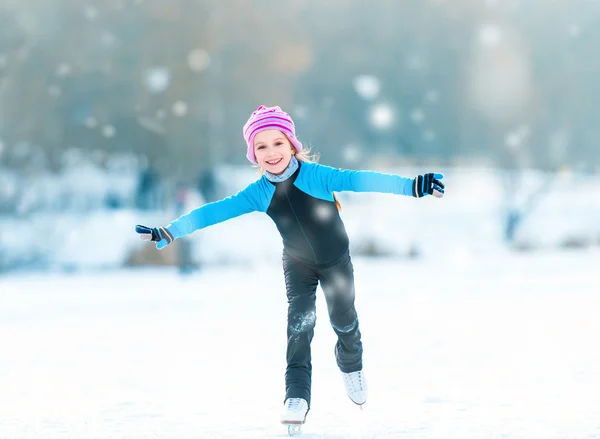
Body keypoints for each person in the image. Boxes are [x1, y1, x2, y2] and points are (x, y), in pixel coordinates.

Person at [135, 105, 445, 428]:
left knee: (344, 318)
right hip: (298, 266)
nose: (271, 153)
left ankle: (351, 363)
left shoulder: (317, 176)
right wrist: (170, 230)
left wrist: (414, 186)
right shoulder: (258, 193)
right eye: (261, 147)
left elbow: (363, 180)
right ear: (253, 155)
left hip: (335, 260)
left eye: (278, 143)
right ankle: (296, 395)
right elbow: (214, 211)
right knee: (299, 326)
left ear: (292, 145)